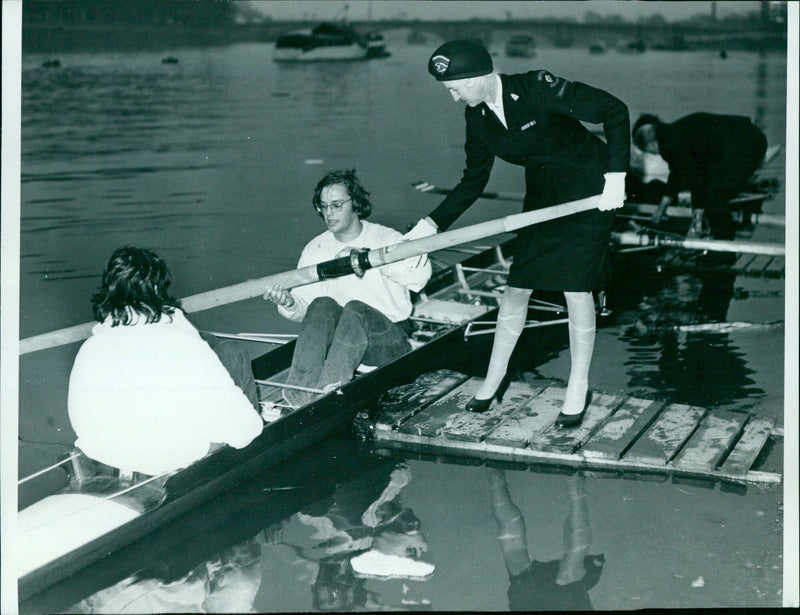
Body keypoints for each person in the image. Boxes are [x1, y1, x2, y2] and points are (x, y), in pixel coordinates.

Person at [406, 40, 629, 426]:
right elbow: (472, 181)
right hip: (544, 193)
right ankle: (494, 378)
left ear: (476, 78)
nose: (454, 98)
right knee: (517, 287)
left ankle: (578, 385)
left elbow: (614, 109)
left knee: (576, 289)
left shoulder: (536, 87)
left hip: (592, 188)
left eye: (455, 89)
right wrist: (428, 226)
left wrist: (616, 177)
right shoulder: (477, 118)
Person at [68, 246, 264, 478]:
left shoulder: (90, 346)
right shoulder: (178, 340)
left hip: (100, 453)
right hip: (165, 462)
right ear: (155, 288)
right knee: (234, 353)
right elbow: (247, 431)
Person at [264, 169, 432, 408]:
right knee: (321, 304)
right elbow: (304, 307)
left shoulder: (386, 238)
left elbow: (419, 279)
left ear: (356, 203)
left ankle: (327, 394)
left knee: (354, 309)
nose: (328, 213)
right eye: (323, 206)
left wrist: (368, 259)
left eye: (336, 205)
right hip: (345, 346)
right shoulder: (316, 248)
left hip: (390, 343)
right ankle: (298, 395)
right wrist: (288, 302)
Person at [632, 112, 768, 240]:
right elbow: (677, 174)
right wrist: (663, 207)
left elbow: (694, 176)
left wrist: (698, 212)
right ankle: (717, 240)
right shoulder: (671, 135)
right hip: (747, 139)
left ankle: (722, 251)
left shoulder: (671, 141)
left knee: (715, 195)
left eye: (649, 151)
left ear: (651, 144)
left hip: (747, 144)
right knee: (712, 193)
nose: (655, 154)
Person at [488, 468, 604, 611]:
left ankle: (576, 485)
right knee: (514, 551)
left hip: (543, 599)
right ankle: (494, 473)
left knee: (571, 565)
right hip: (535, 599)